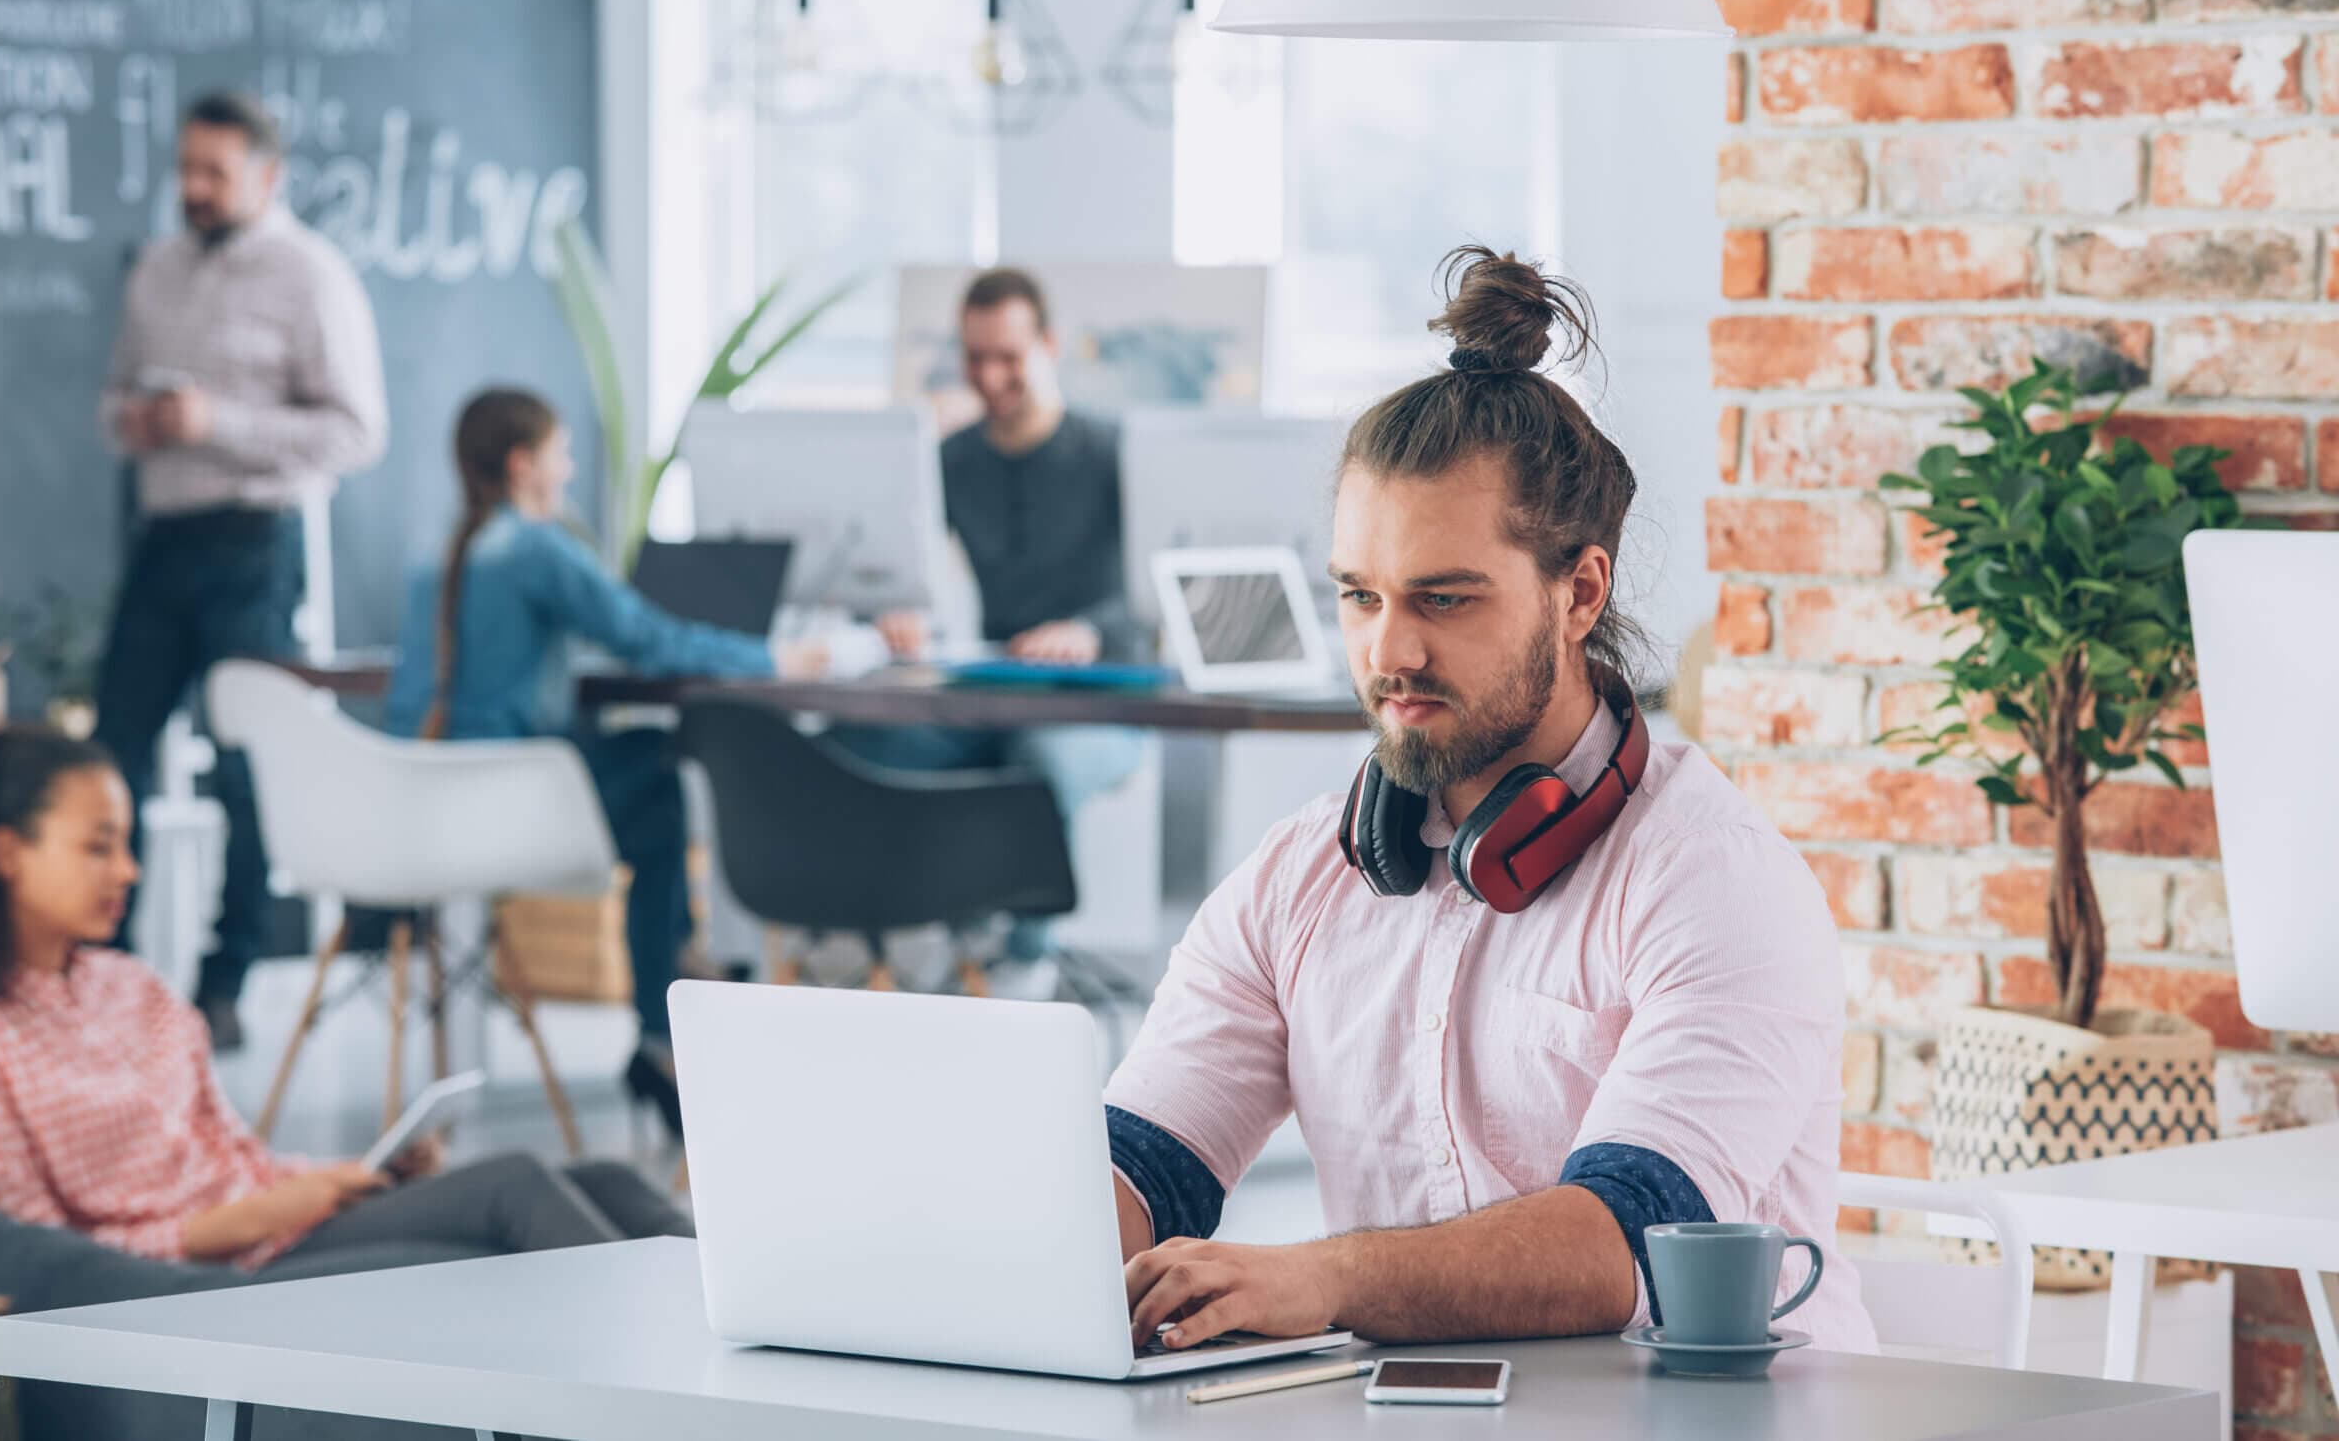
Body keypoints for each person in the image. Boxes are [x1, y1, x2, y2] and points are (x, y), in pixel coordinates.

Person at [1103, 248, 1874, 1355]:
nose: (1389, 649)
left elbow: (1623, 1248)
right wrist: (1043, 1238)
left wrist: (1318, 1278)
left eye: (1444, 599)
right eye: (1360, 598)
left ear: (1580, 591)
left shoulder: (1713, 882)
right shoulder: (1295, 879)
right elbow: (1149, 1165)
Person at [0, 715, 686, 1268]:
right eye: (96, 845)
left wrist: (345, 1177)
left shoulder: (134, 988)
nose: (128, 870)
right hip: (219, 1274)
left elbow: (231, 1153)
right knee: (514, 1187)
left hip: (283, 1225)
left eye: (127, 843)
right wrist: (242, 1220)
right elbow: (39, 1252)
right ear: (6, 853)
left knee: (607, 1179)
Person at [386, 387, 820, 1138]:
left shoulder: (439, 555)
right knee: (657, 778)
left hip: (423, 805)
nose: (571, 467)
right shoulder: (536, 548)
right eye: (562, 452)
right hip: (508, 807)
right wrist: (775, 656)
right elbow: (646, 637)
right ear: (525, 465)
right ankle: (666, 1014)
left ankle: (671, 995)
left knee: (641, 775)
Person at [93, 89, 387, 1053]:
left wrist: (217, 422)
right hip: (163, 537)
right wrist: (134, 424)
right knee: (111, 755)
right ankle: (111, 979)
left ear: (266, 175)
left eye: (214, 172)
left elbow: (356, 430)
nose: (195, 188)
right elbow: (112, 399)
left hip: (258, 544)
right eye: (186, 169)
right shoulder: (156, 271)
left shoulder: (312, 277)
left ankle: (226, 981)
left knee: (245, 768)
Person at [844, 267, 1148, 995]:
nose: (989, 376)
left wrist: (1086, 629)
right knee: (858, 747)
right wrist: (894, 611)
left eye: (1007, 357)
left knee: (1037, 757)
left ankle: (1026, 952)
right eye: (975, 357)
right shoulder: (951, 460)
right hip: (993, 693)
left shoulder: (1116, 452)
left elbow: (1155, 590)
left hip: (1104, 703)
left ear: (1050, 345)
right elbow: (892, 571)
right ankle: (923, 928)